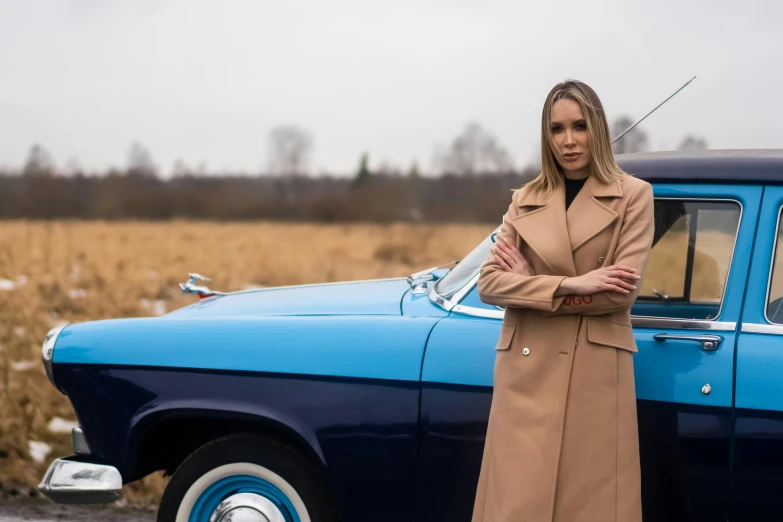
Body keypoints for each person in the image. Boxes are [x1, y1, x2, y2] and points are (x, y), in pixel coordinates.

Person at [471, 80, 654, 522]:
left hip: (594, 372)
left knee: (589, 503)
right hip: (525, 374)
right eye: (556, 129)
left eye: (578, 126)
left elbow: (617, 292)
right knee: (517, 503)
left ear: (598, 129)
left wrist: (531, 286)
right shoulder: (525, 199)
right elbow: (489, 284)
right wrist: (569, 285)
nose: (568, 141)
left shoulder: (633, 195)